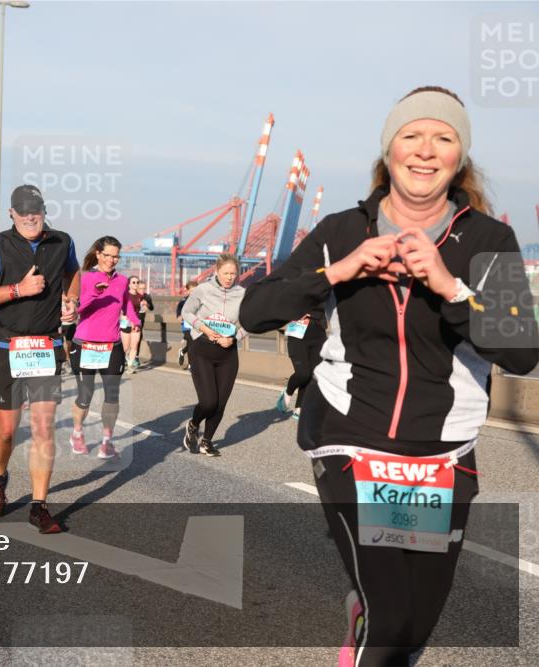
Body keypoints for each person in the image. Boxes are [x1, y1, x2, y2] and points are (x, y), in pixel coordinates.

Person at [239, 86, 538, 667]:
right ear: (389, 150)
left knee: (415, 624)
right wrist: (337, 272)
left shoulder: (488, 240)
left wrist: (452, 288)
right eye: (412, 135)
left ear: (460, 157)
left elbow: (523, 352)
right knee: (392, 619)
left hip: (443, 453)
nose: (426, 151)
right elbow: (255, 310)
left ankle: (365, 618)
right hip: (354, 438)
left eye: (444, 138)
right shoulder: (340, 230)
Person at [0, 184, 79, 534]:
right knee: (7, 430)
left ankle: (39, 506)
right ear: (12, 213)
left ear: (45, 211)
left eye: (37, 209)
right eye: (23, 209)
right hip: (7, 348)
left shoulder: (62, 241)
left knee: (44, 427)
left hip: (45, 347)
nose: (31, 216)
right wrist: (19, 289)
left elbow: (73, 274)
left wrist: (71, 299)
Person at [67, 236, 140, 459]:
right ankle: (77, 433)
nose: (111, 260)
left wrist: (135, 322)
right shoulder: (85, 278)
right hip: (85, 344)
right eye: (107, 255)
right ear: (98, 254)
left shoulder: (122, 281)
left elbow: (127, 305)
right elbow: (78, 310)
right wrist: (96, 293)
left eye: (116, 256)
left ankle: (107, 441)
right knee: (85, 395)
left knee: (112, 396)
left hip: (112, 345)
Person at [180, 254, 245, 456]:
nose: (229, 277)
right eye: (225, 273)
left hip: (228, 353)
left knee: (220, 403)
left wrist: (235, 338)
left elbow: (249, 323)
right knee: (209, 402)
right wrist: (204, 329)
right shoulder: (203, 290)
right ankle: (193, 425)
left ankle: (206, 441)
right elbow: (186, 312)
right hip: (202, 349)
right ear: (217, 271)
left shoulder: (242, 293)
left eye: (233, 274)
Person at [277, 305, 327, 420]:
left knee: (313, 374)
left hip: (318, 333)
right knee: (303, 373)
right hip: (297, 333)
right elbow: (276, 308)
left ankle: (300, 408)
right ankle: (288, 392)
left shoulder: (322, 288)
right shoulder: (289, 288)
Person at [131, 279, 154, 369]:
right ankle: (126, 356)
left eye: (144, 288)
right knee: (129, 339)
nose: (142, 290)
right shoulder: (132, 295)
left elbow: (152, 307)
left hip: (141, 320)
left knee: (138, 338)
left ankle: (135, 358)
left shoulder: (147, 297)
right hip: (130, 320)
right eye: (140, 288)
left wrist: (147, 304)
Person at [176, 279, 199, 369]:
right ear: (188, 291)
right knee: (191, 343)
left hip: (196, 325)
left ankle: (183, 351)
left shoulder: (200, 300)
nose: (194, 292)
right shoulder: (184, 300)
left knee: (194, 344)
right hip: (186, 326)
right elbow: (179, 309)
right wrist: (179, 316)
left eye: (196, 290)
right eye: (192, 290)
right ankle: (191, 365)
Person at [120, 277, 140, 373]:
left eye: (137, 282)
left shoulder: (140, 296)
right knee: (126, 347)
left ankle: (130, 366)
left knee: (134, 346)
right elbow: (121, 307)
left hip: (136, 323)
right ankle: (121, 361)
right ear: (129, 284)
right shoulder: (125, 295)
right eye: (134, 282)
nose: (136, 284)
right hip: (126, 322)